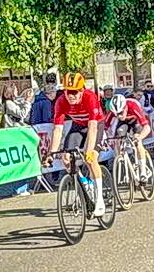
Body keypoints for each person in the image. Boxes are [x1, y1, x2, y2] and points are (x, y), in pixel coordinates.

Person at [44, 72, 106, 216]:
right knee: (66, 158)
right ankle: (84, 182)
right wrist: (52, 153)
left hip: (96, 125)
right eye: (68, 92)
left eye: (74, 92)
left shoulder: (90, 97)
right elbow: (58, 129)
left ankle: (100, 200)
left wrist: (89, 151)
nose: (71, 95)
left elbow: (92, 127)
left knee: (91, 159)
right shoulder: (61, 101)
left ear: (82, 90)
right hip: (77, 126)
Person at [106, 93, 152, 180]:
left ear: (125, 107)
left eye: (120, 113)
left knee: (137, 140)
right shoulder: (114, 112)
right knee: (118, 137)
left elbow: (147, 127)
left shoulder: (133, 106)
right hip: (124, 123)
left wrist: (140, 137)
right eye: (116, 114)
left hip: (135, 121)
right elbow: (105, 126)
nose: (119, 116)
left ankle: (143, 171)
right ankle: (121, 159)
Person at [1, 83, 34, 196]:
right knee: (18, 161)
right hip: (13, 135)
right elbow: (22, 114)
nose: (17, 91)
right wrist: (28, 101)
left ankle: (22, 187)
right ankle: (19, 189)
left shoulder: (12, 102)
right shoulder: (8, 103)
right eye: (14, 89)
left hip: (17, 134)